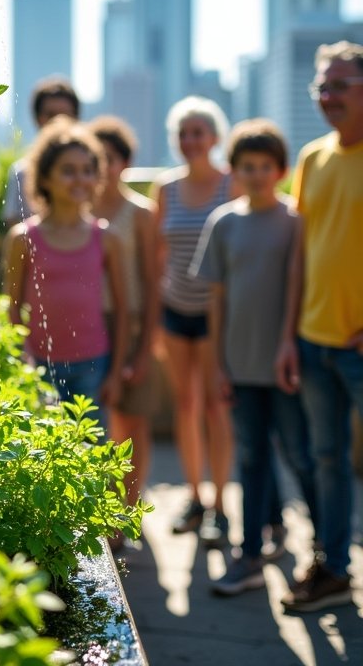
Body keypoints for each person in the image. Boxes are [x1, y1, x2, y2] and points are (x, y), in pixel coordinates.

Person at [191, 119, 318, 596]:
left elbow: (297, 288)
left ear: (282, 170)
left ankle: (323, 551)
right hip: (239, 365)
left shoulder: (295, 221)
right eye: (248, 166)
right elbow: (217, 299)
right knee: (252, 457)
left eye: (267, 166)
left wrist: (289, 345)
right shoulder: (223, 222)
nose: (258, 174)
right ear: (234, 170)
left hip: (286, 364)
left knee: (301, 454)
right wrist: (218, 364)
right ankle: (248, 555)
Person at [276, 40, 363, 614]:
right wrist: (288, 335)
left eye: (340, 86)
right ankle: (333, 568)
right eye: (322, 87)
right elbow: (300, 254)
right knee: (326, 459)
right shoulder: (311, 158)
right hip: (312, 339)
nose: (328, 97)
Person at [2, 116, 128, 430]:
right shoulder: (23, 238)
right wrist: (23, 357)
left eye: (88, 171)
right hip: (38, 366)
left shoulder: (107, 238)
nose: (80, 180)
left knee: (92, 456)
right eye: (68, 171)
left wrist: (115, 373)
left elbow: (124, 311)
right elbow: (11, 306)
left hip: (93, 365)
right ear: (44, 178)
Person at [154, 96, 235, 546]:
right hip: (173, 309)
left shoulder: (232, 184)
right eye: (183, 133)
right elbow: (156, 256)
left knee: (215, 407)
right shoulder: (165, 188)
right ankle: (195, 497)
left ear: (215, 138)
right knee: (185, 404)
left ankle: (222, 507)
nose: (190, 141)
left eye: (198, 132)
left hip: (215, 313)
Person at [89, 115, 159, 507]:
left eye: (111, 157)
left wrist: (144, 347)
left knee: (132, 422)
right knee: (96, 423)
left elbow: (151, 284)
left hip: (129, 322)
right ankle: (99, 509)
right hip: (86, 324)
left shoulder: (141, 212)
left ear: (126, 162)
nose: (104, 166)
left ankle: (127, 512)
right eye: (96, 157)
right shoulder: (78, 211)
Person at [3, 76, 80, 227]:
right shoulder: (21, 173)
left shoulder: (94, 170)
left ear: (76, 118)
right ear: (37, 118)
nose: (57, 121)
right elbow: (14, 226)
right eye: (50, 115)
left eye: (65, 115)